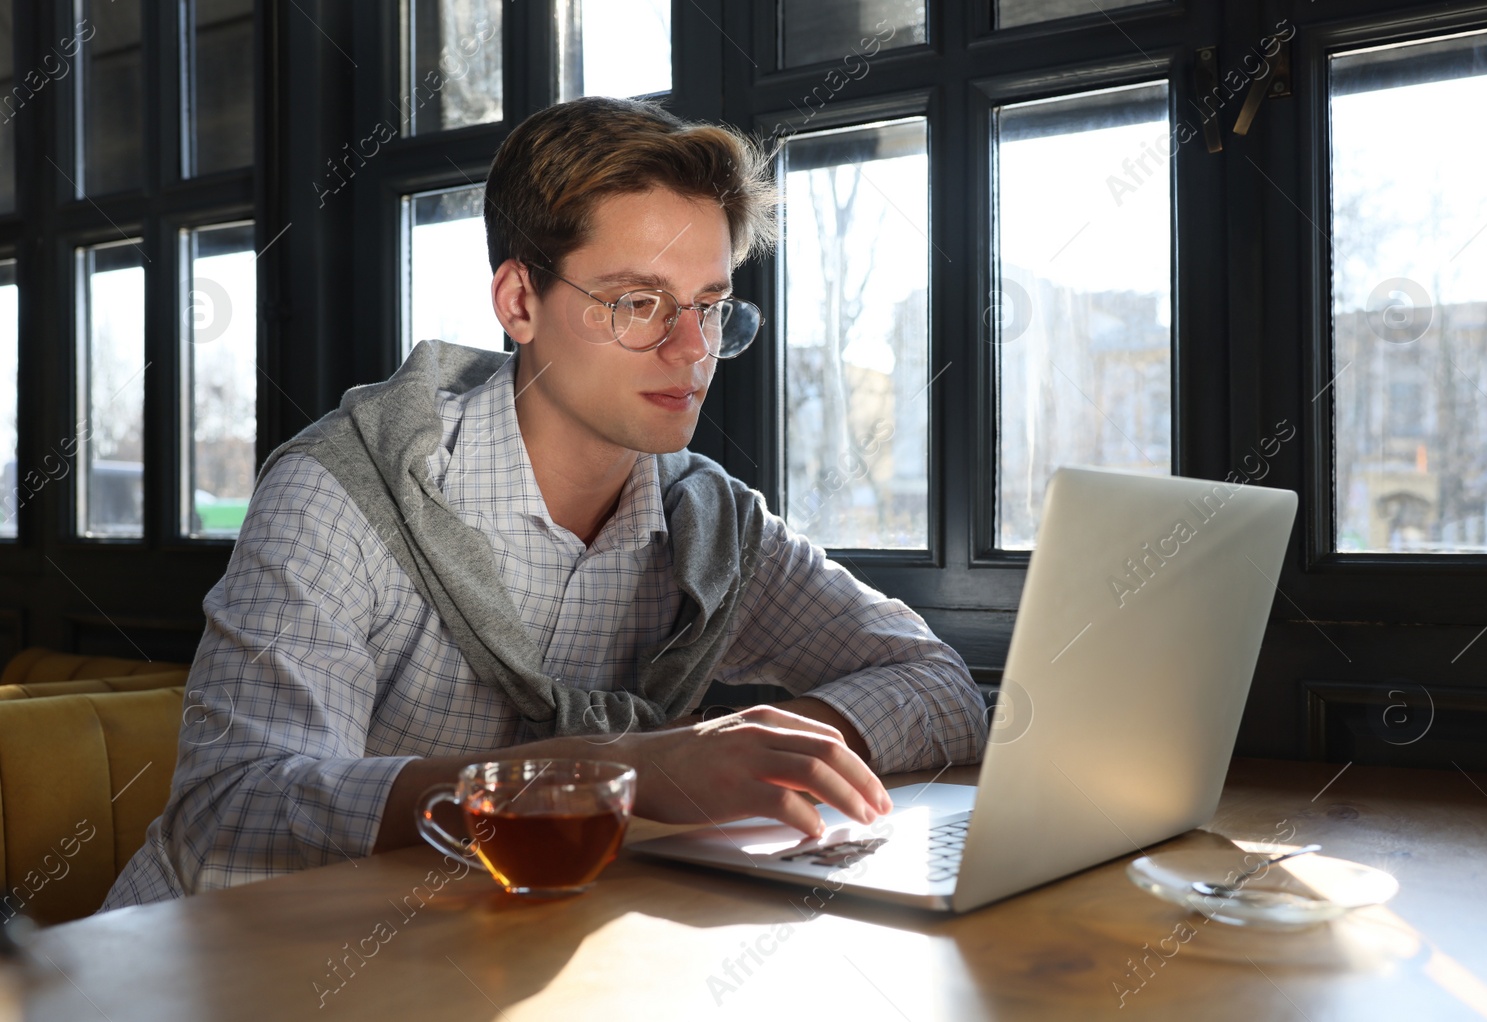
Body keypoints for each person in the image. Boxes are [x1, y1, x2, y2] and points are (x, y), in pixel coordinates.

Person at [102, 96, 985, 909]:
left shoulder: (711, 525)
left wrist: (765, 748)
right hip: (204, 966)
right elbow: (233, 806)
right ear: (519, 301)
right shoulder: (343, 489)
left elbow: (943, 687)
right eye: (639, 303)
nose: (691, 350)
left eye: (709, 307)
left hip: (470, 964)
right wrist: (632, 772)